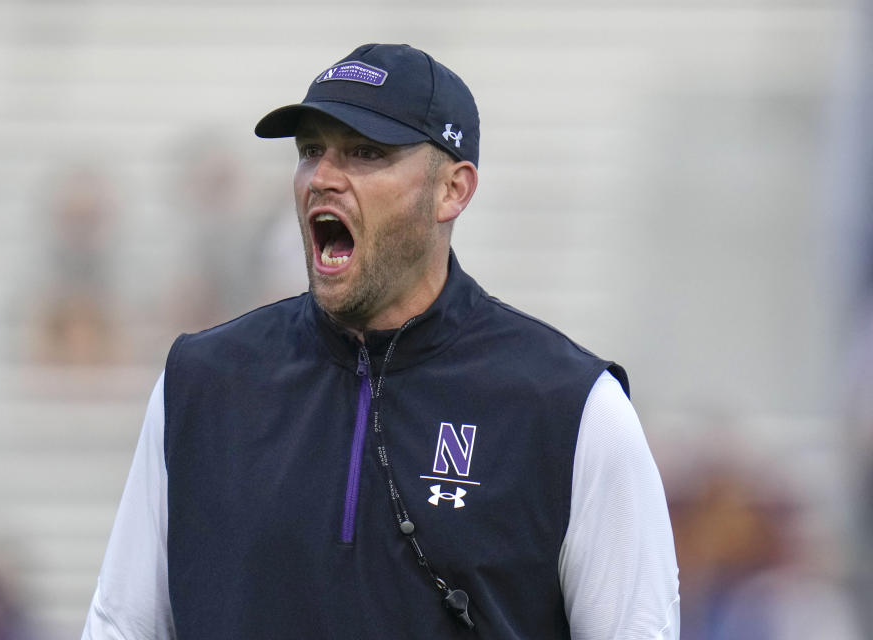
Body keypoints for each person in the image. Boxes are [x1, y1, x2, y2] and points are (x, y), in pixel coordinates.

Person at [82, 43, 680, 639]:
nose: (322, 178)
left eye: (365, 153)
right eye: (312, 151)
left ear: (453, 190)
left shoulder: (570, 408)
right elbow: (121, 625)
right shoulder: (202, 383)